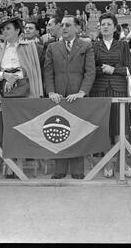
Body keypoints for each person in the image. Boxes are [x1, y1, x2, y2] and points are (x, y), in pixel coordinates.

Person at [0, 16, 43, 178]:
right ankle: (7, 163)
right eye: (3, 29)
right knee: (4, 130)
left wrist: (15, 77)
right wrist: (5, 76)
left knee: (21, 128)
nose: (5, 31)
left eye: (8, 28)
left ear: (17, 31)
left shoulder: (29, 47)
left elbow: (32, 70)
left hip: (23, 92)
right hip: (2, 93)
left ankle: (19, 163)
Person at [44, 15, 96, 179]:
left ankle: (77, 170)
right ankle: (59, 170)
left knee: (76, 132)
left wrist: (82, 92)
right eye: (62, 25)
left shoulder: (86, 46)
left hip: (77, 96)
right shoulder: (52, 47)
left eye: (68, 25)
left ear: (77, 28)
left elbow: (90, 72)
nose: (64, 28)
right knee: (59, 130)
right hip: (57, 96)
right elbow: (48, 72)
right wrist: (51, 92)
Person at [89, 13, 131, 178]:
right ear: (99, 28)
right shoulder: (94, 46)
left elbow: (130, 69)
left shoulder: (123, 46)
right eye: (103, 24)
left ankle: (122, 163)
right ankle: (108, 163)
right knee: (105, 128)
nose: (106, 27)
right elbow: (90, 69)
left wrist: (114, 69)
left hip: (119, 89)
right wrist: (104, 69)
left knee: (120, 128)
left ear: (115, 27)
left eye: (109, 24)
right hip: (99, 91)